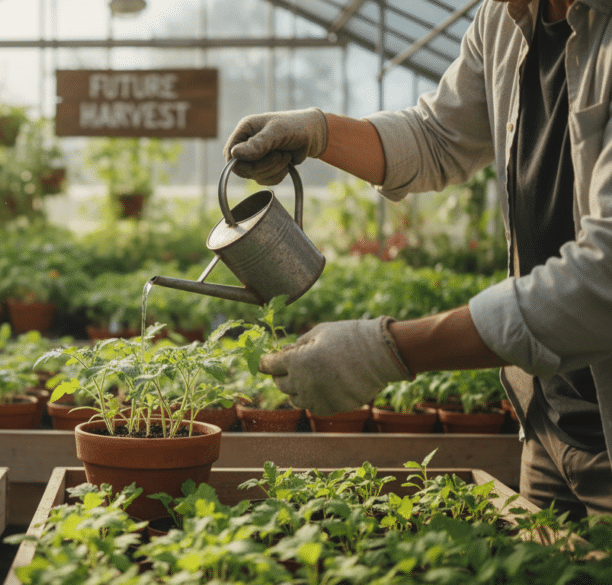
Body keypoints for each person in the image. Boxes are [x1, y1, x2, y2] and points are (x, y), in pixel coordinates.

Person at [223, 0, 612, 520]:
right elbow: (438, 136)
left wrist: (385, 350)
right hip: (546, 416)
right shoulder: (505, 18)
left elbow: (602, 279)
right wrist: (318, 132)